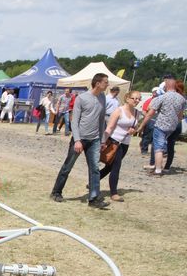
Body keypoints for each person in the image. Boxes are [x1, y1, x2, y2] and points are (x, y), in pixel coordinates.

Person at [50, 73, 110, 209]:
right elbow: (74, 121)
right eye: (106, 82)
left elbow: (101, 121)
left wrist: (102, 140)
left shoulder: (102, 97)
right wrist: (77, 140)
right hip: (80, 138)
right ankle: (56, 192)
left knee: (95, 168)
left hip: (94, 139)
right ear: (98, 83)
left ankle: (94, 198)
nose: (107, 85)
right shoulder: (81, 98)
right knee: (68, 166)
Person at [138, 74, 186, 176]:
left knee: (158, 148)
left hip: (161, 125)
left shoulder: (162, 97)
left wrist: (142, 126)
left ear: (166, 86)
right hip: (173, 126)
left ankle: (158, 169)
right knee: (169, 146)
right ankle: (165, 166)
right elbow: (180, 116)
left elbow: (150, 114)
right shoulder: (182, 99)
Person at [98, 90, 141, 202]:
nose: (137, 101)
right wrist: (103, 142)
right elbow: (109, 127)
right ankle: (114, 193)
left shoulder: (137, 113)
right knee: (116, 167)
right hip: (114, 142)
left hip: (125, 143)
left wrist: (134, 130)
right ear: (127, 98)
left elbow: (136, 127)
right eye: (134, 98)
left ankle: (94, 180)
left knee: (110, 167)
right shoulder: (118, 111)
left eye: (139, 99)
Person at [139, 87, 158, 154]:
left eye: (157, 91)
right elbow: (144, 111)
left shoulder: (160, 100)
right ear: (153, 93)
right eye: (155, 91)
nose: (156, 93)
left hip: (157, 121)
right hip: (150, 120)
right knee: (147, 136)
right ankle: (144, 149)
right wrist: (148, 117)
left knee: (154, 137)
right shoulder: (149, 101)